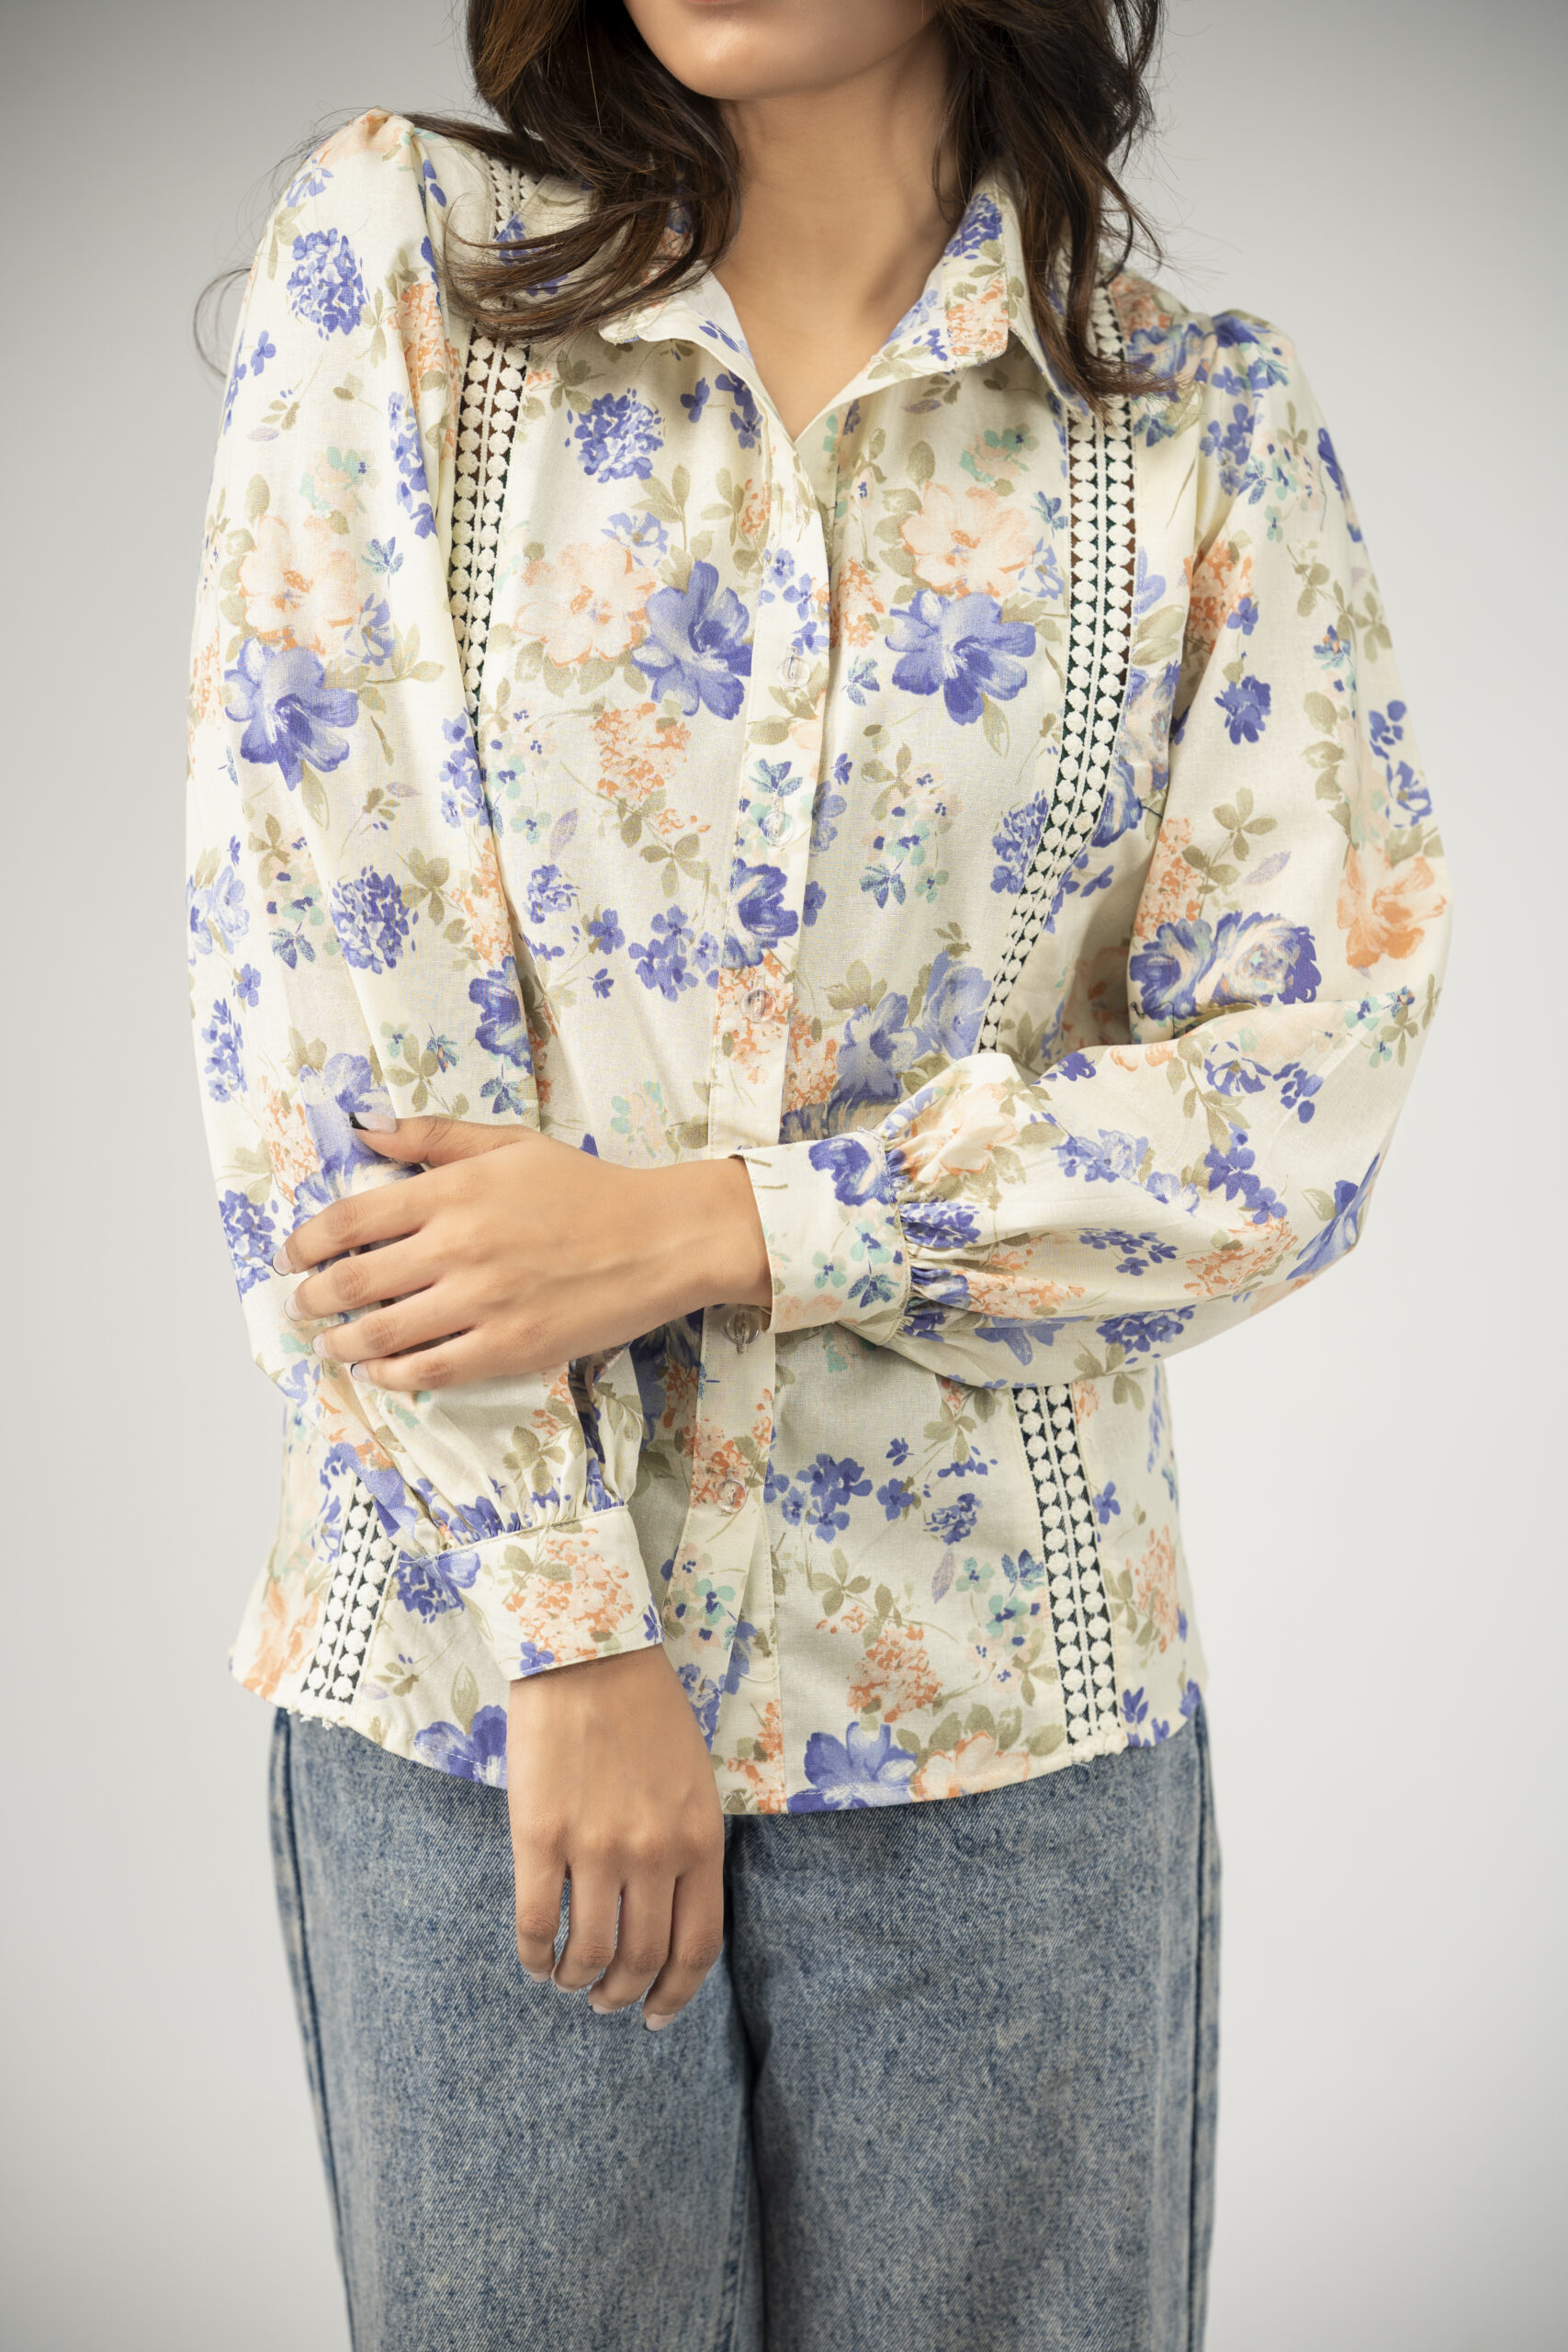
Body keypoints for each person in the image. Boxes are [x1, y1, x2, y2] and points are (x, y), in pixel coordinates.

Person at [185, 0, 1450, 2344]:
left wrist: (714, 1226)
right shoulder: (406, 267)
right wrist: (573, 1627)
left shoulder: (1191, 428)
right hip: (472, 1696)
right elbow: (326, 1022)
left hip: (1004, 1730)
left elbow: (1298, 1087)